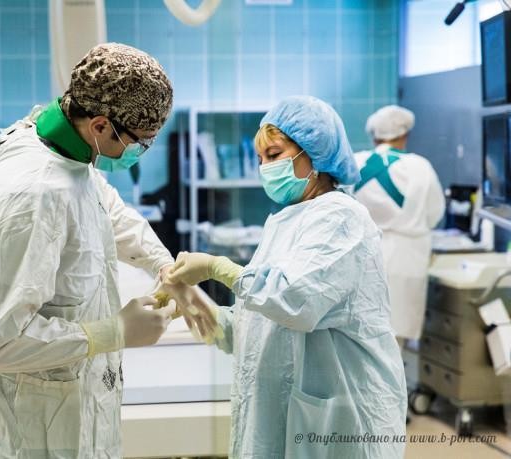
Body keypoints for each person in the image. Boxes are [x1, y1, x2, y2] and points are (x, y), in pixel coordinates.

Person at [0, 43, 216, 459]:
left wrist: (165, 268)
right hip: (25, 431)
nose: (138, 153)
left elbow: (109, 210)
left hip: (64, 410)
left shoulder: (64, 149)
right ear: (101, 125)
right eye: (139, 143)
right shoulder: (32, 196)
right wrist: (114, 332)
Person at [167, 96, 407, 458]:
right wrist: (199, 308)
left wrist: (218, 268)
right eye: (261, 158)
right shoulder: (285, 220)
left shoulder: (340, 217)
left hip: (339, 413)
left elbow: (295, 301)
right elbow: (261, 324)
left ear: (316, 153)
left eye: (275, 155)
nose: (265, 167)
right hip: (285, 410)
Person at [354, 105, 445, 348]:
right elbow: (434, 214)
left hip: (362, 261)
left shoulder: (355, 163)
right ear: (405, 135)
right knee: (394, 345)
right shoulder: (420, 167)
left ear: (374, 135)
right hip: (406, 260)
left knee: (359, 342)